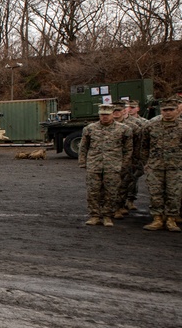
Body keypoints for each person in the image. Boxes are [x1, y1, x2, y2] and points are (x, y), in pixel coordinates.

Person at [78, 103, 132, 227]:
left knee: (111, 191)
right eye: (102, 114)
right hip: (94, 165)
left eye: (107, 114)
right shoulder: (90, 129)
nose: (105, 117)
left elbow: (128, 149)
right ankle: (94, 215)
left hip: (113, 165)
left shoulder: (123, 129)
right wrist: (82, 162)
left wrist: (124, 164)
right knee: (93, 191)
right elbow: (83, 147)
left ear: (113, 114)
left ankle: (107, 216)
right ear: (99, 115)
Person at [139, 96, 182, 232]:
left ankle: (171, 219)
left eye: (171, 110)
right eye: (165, 110)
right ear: (160, 111)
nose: (168, 112)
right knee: (155, 193)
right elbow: (144, 146)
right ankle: (157, 218)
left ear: (177, 110)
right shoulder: (151, 125)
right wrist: (147, 163)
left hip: (176, 166)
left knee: (174, 194)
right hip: (155, 166)